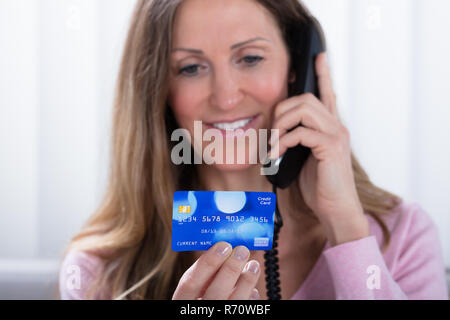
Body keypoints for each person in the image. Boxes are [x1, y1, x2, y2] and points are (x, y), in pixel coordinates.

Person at [58, 0, 449, 300]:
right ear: (159, 89)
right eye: (191, 68)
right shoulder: (102, 270)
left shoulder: (402, 237)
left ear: (298, 70)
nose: (227, 98)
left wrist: (347, 229)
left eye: (250, 58)